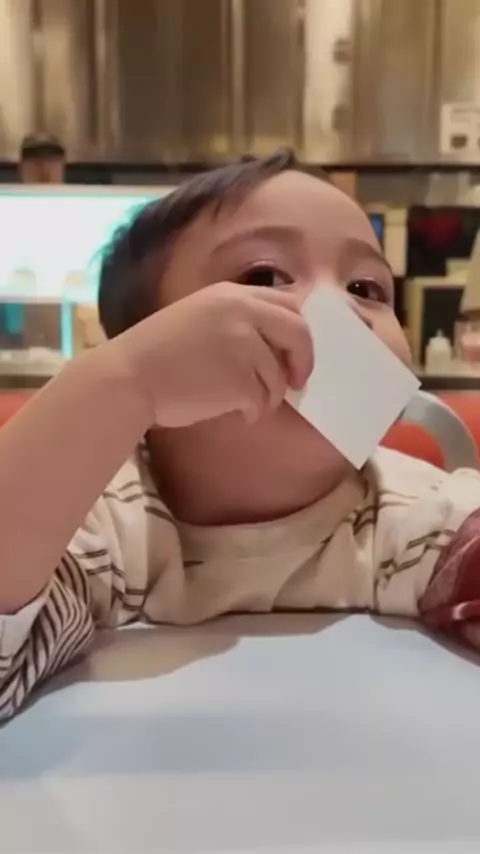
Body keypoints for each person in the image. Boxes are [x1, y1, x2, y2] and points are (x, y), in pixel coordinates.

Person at [1, 150, 480, 722]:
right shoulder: (102, 520)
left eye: (366, 288)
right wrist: (123, 383)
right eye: (263, 277)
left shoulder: (416, 515)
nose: (340, 311)